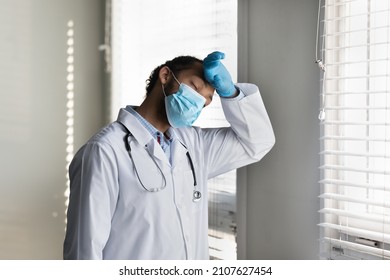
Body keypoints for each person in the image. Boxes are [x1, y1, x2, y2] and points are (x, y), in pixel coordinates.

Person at [63, 51, 275, 260]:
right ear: (165, 76)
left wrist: (231, 93)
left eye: (206, 99)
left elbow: (258, 142)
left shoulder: (195, 145)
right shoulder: (104, 151)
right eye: (194, 87)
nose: (198, 101)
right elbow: (85, 250)